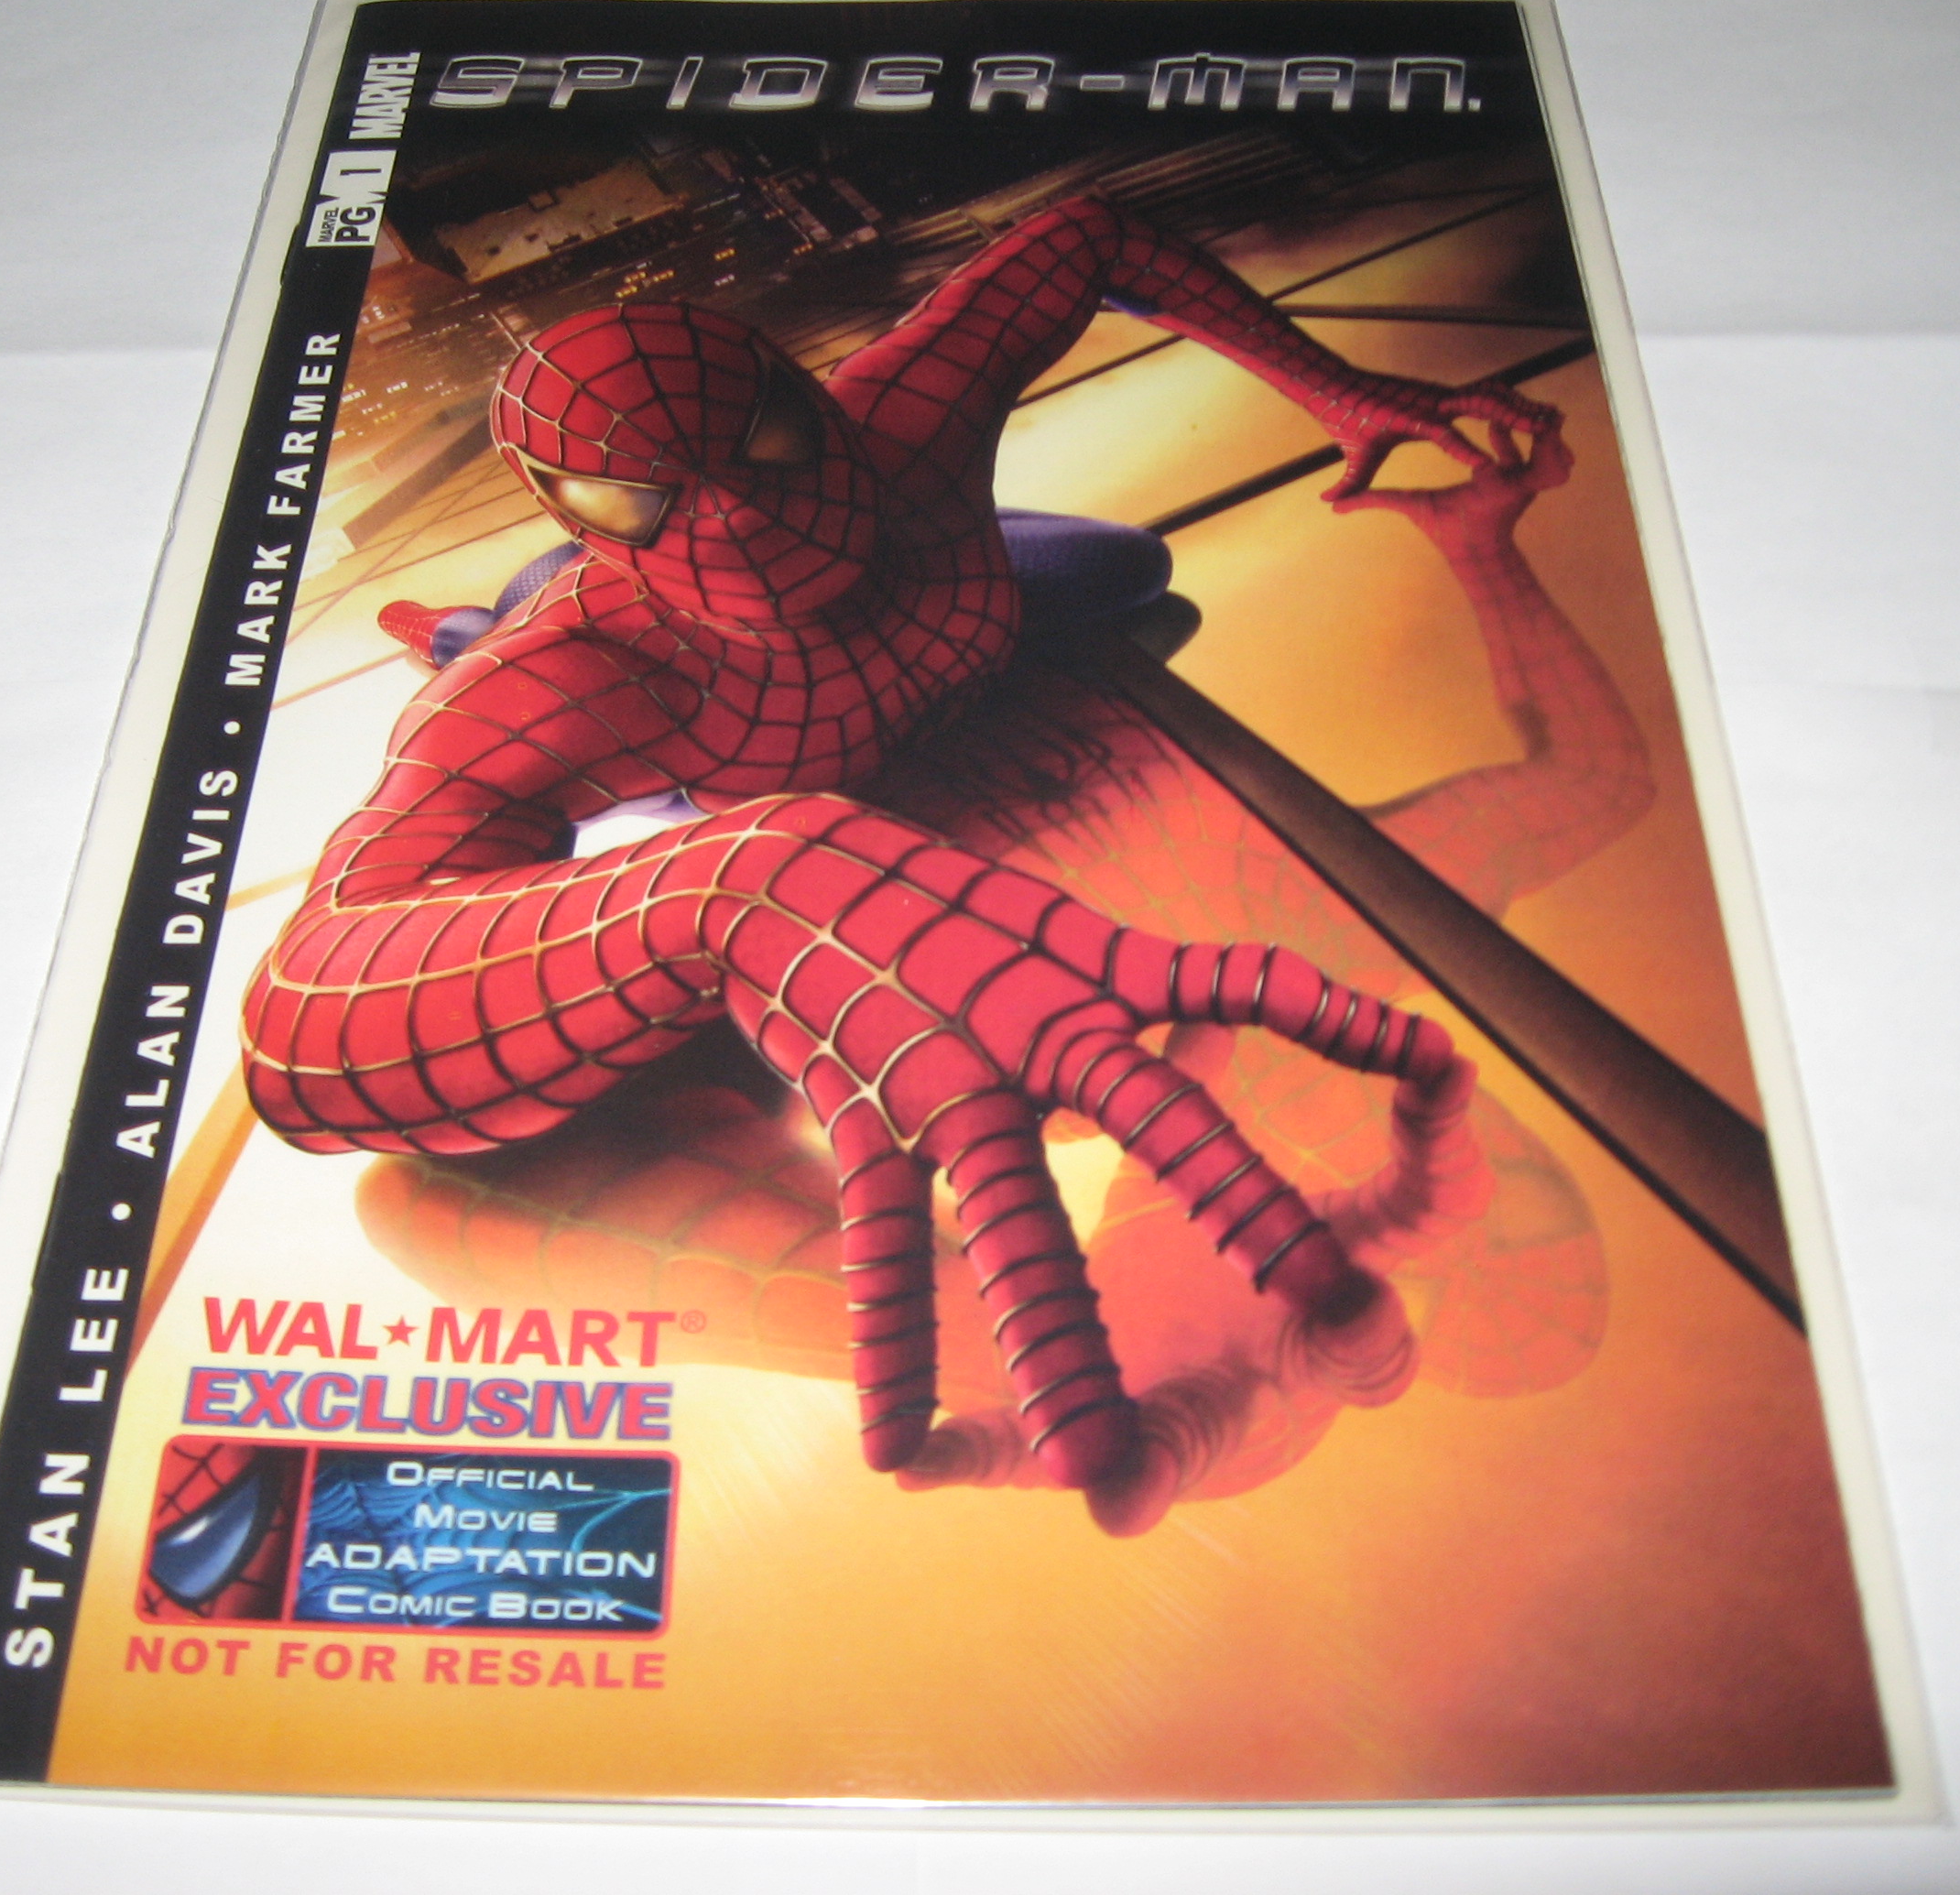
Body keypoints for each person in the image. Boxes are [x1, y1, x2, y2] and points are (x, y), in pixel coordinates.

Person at [242, 194, 1558, 1533]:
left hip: (981, 624)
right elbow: (308, 1035)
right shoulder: (582, 674)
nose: (739, 519)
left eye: (763, 446)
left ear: (811, 407)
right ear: (585, 515)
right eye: (646, 499)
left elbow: (1092, 238)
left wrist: (1342, 393)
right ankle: (450, 624)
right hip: (710, 710)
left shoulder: (905, 428)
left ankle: (498, 609)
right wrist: (745, 881)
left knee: (1118, 573)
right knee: (491, 648)